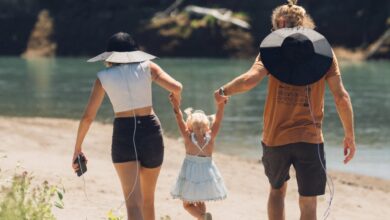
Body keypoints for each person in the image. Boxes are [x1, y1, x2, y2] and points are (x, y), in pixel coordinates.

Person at [214, 1, 356, 220]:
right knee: (308, 202)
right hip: (310, 139)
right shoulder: (323, 50)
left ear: (280, 23)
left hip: (275, 137)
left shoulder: (271, 51)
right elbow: (341, 96)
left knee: (277, 191)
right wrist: (349, 135)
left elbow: (250, 80)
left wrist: (225, 90)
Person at [71, 32, 182, 220]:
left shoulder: (103, 77)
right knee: (148, 201)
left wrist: (77, 148)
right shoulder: (148, 67)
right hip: (151, 131)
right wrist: (176, 102)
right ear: (134, 52)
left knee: (133, 203)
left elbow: (88, 117)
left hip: (124, 133)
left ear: (110, 56)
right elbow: (176, 87)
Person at [169, 93, 228, 220]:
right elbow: (218, 119)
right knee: (200, 200)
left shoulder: (187, 136)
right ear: (207, 125)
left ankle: (202, 217)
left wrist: (175, 105)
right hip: (207, 173)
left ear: (189, 125)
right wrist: (221, 106)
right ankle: (203, 216)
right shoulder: (211, 136)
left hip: (191, 173)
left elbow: (179, 119)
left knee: (187, 204)